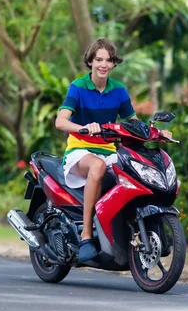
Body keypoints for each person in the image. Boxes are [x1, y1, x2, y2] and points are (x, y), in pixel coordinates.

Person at [55, 39, 172, 262]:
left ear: (113, 64)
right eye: (98, 59)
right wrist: (83, 128)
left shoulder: (118, 90)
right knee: (97, 166)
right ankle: (86, 234)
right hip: (80, 151)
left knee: (134, 174)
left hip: (109, 151)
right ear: (90, 61)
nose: (103, 65)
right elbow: (60, 121)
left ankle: (132, 231)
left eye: (108, 60)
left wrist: (157, 134)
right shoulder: (78, 87)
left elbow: (133, 123)